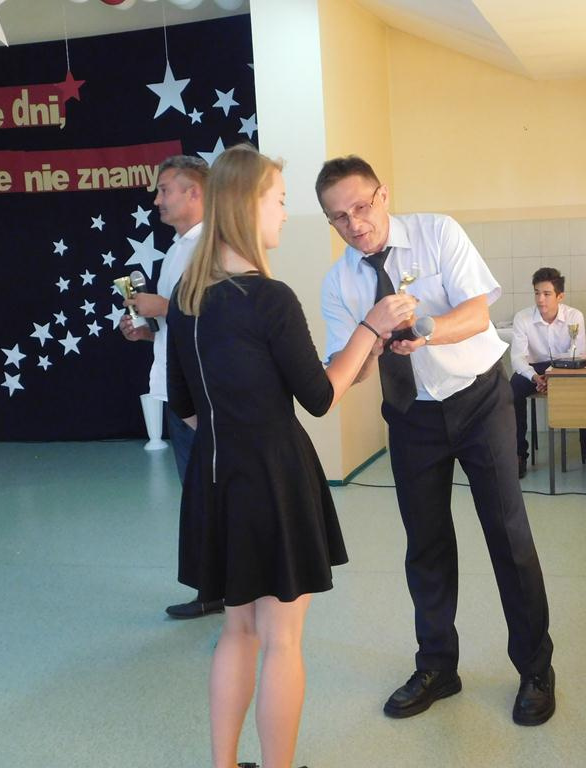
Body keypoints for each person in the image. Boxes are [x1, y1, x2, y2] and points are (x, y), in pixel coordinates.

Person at [166, 145, 415, 768]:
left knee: (237, 629)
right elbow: (320, 397)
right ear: (249, 206)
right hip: (274, 479)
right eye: (279, 201)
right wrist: (372, 327)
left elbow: (186, 408)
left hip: (216, 476)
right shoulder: (268, 298)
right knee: (281, 640)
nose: (284, 213)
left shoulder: (186, 298)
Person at [317, 155, 556, 727]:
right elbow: (354, 371)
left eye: (361, 206)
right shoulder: (339, 281)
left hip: (479, 400)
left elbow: (477, 313)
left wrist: (425, 330)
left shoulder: (436, 232)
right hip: (411, 416)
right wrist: (371, 337)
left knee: (508, 534)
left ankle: (535, 668)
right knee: (425, 544)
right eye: (339, 217)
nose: (354, 224)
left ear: (383, 195)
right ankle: (437, 667)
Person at [119, 155, 221, 619]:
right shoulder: (178, 247)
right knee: (197, 494)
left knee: (210, 493)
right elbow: (182, 324)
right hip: (176, 388)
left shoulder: (213, 246)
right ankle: (214, 587)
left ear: (194, 192)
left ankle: (225, 588)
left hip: (200, 392)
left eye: (164, 190)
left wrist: (163, 307)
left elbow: (216, 315)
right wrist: (149, 330)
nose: (156, 199)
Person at [510, 267, 586, 478]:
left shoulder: (574, 316)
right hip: (534, 369)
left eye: (546, 294)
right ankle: (518, 454)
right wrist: (535, 377)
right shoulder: (522, 318)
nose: (540, 299)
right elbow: (517, 358)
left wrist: (555, 377)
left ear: (560, 296)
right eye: (537, 293)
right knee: (511, 391)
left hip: (565, 366)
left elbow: (577, 353)